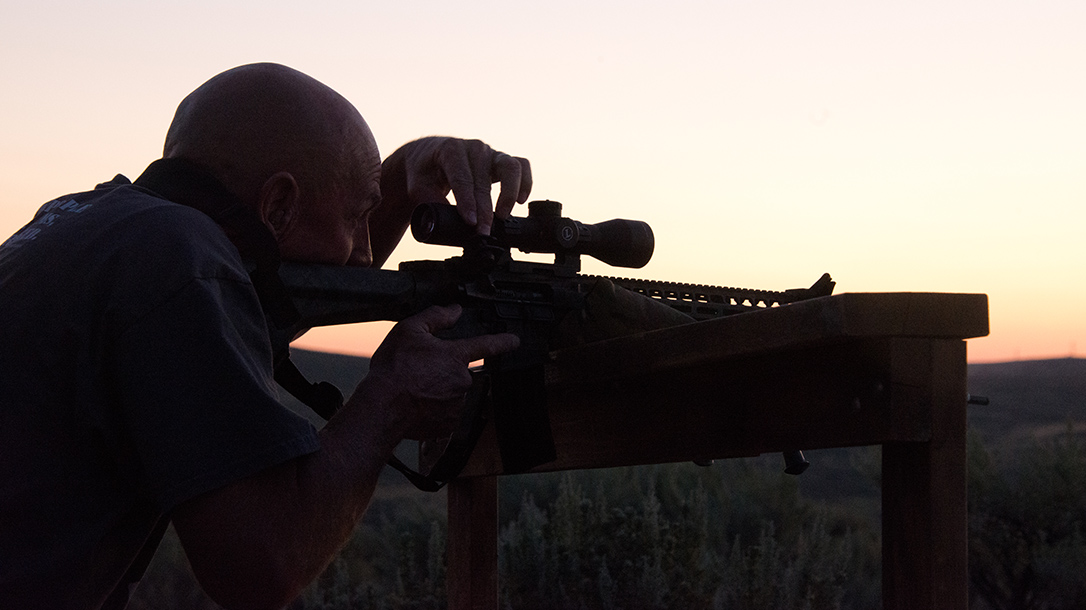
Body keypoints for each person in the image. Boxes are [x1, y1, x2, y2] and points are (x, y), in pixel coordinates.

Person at [0, 63, 531, 609]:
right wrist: (390, 401)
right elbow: (260, 568)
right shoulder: (180, 260)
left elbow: (280, 291)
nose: (367, 254)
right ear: (277, 206)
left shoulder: (93, 225)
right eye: (357, 218)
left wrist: (402, 173)